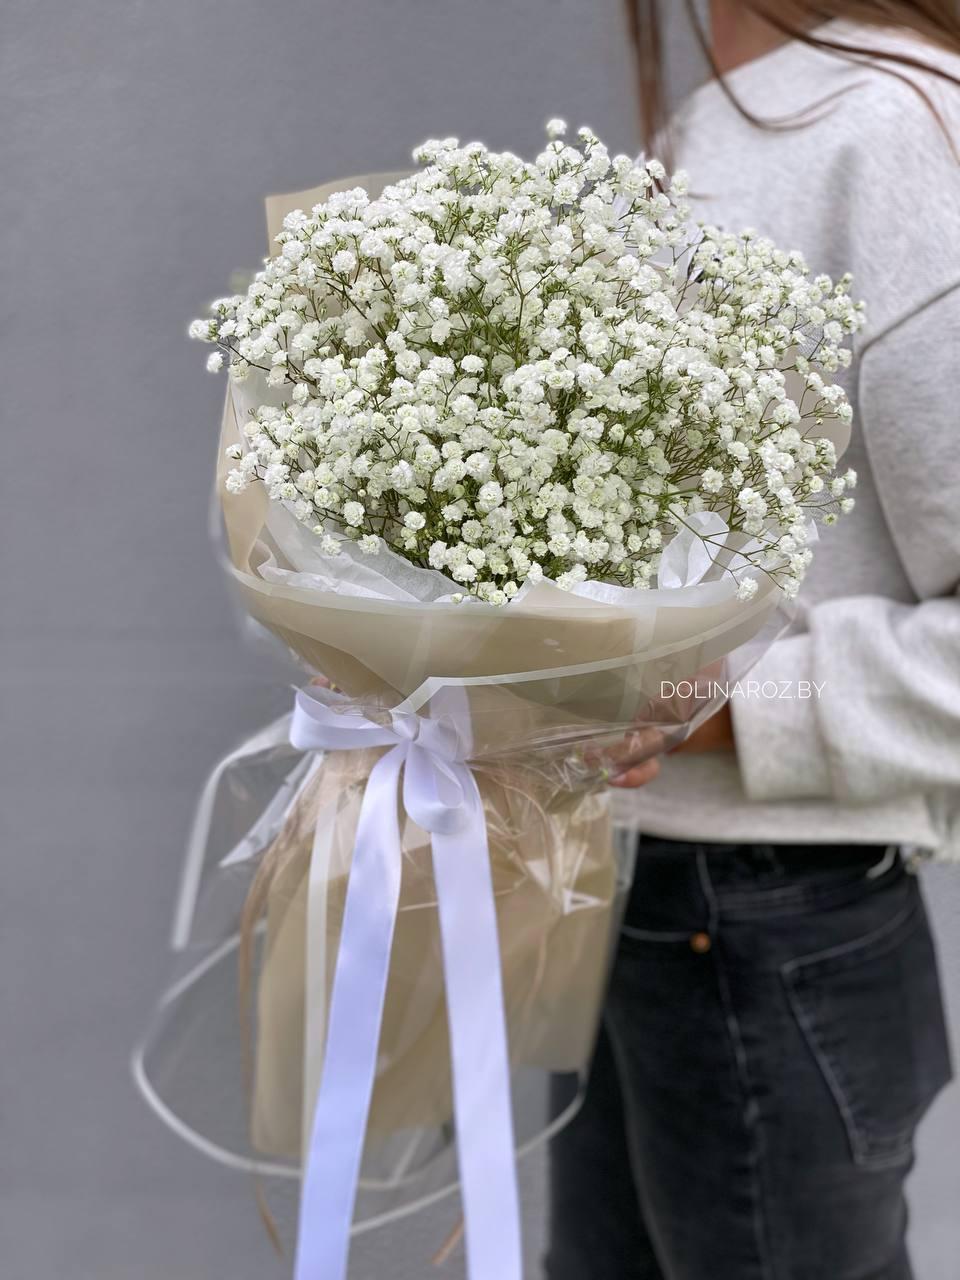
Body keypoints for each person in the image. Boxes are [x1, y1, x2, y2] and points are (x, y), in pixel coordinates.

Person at [545, 3, 960, 1277]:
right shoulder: (708, 127)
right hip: (630, 893)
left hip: (765, 920)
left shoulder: (887, 131)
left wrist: (714, 701)